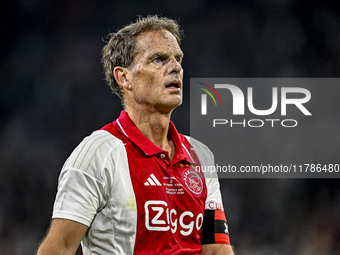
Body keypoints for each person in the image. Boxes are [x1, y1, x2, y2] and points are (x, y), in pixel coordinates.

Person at [37, 15, 234, 255]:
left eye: (178, 59)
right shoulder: (97, 154)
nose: (176, 67)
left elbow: (216, 249)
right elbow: (59, 247)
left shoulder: (201, 155)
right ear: (124, 77)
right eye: (158, 59)